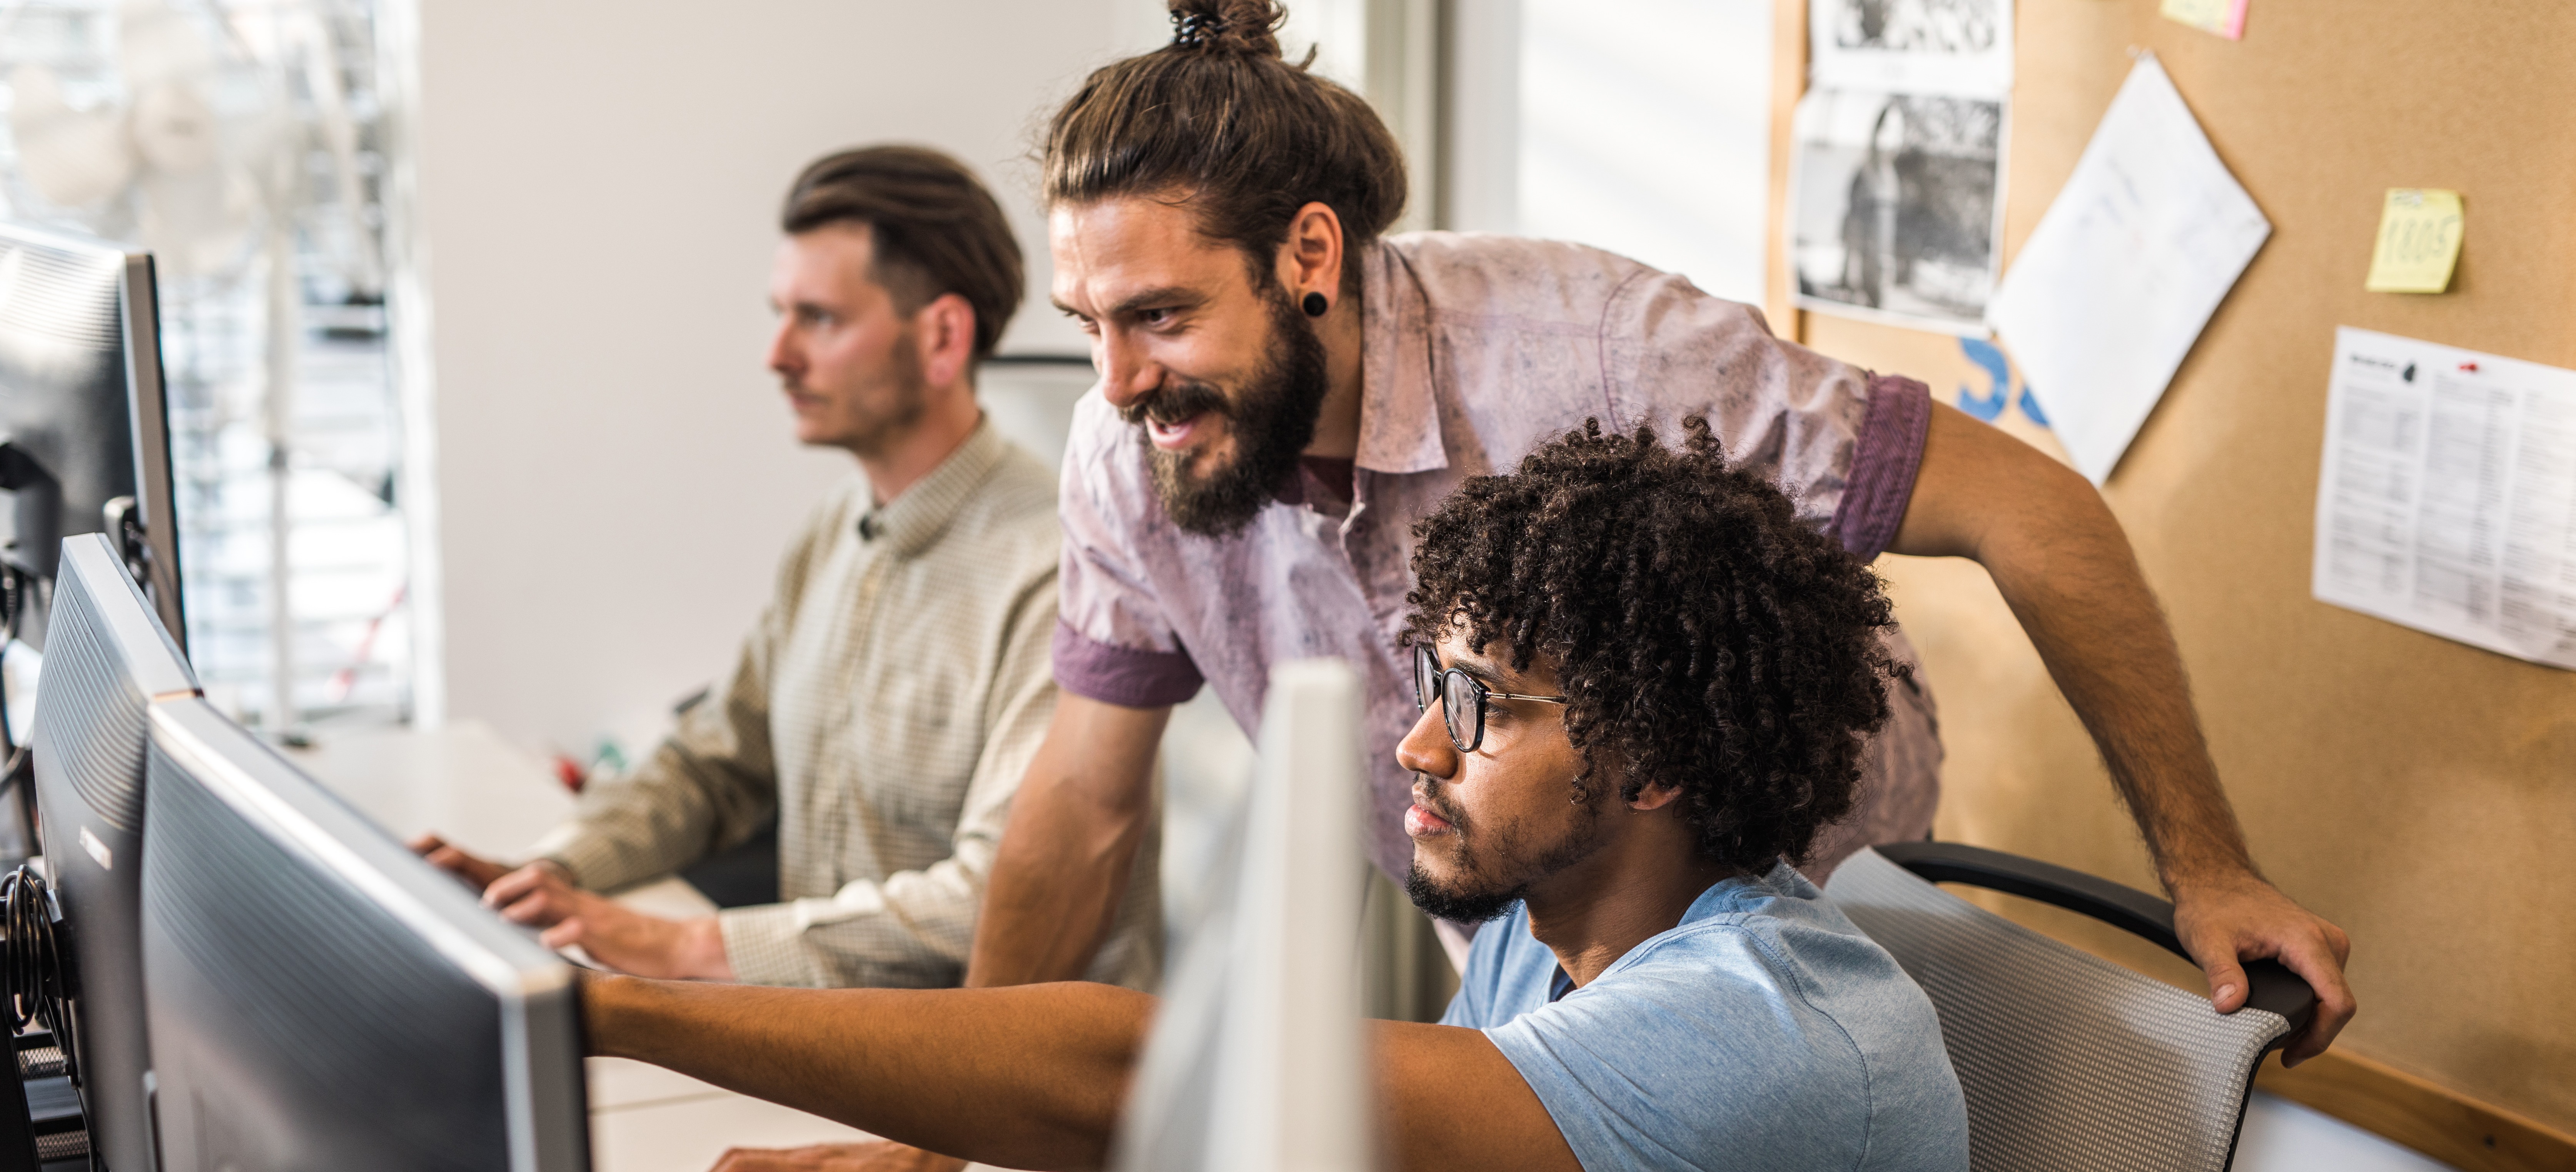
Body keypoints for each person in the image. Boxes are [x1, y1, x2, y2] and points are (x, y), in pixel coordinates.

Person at [979, 0, 2351, 1056]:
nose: (1115, 384)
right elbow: (1087, 799)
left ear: (1310, 257)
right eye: (1087, 325)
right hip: (1528, 936)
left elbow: (2031, 507)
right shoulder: (1131, 453)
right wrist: (945, 1110)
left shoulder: (1600, 352)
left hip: (1794, 925)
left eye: (1162, 317)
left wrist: (2209, 867)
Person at [581, 421, 1971, 1172]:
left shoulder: (1753, 1030)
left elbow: (1132, 1071)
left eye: (1481, 700)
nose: (1418, 744)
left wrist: (614, 1012)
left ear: (1658, 754)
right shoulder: (1542, 922)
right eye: (1434, 675)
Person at [412, 145, 1159, 994]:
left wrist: (682, 945)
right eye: (781, 313)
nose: (778, 354)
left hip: (979, 1084)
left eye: (821, 318)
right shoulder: (834, 530)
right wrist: (553, 872)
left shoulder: (1061, 563)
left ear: (943, 336)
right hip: (827, 1045)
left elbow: (993, 899)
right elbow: (717, 762)